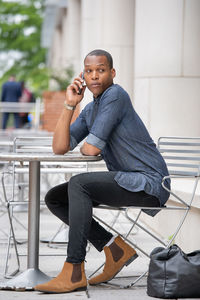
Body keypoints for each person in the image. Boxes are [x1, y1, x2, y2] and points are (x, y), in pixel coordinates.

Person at [34, 49, 170, 294]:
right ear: (83, 76)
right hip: (126, 180)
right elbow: (60, 147)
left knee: (79, 184)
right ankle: (115, 250)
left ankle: (74, 270)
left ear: (112, 72)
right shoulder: (90, 109)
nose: (94, 76)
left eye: (101, 70)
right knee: (55, 198)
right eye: (89, 71)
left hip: (149, 182)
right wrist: (69, 104)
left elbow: (91, 148)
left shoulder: (115, 96)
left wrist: (89, 145)